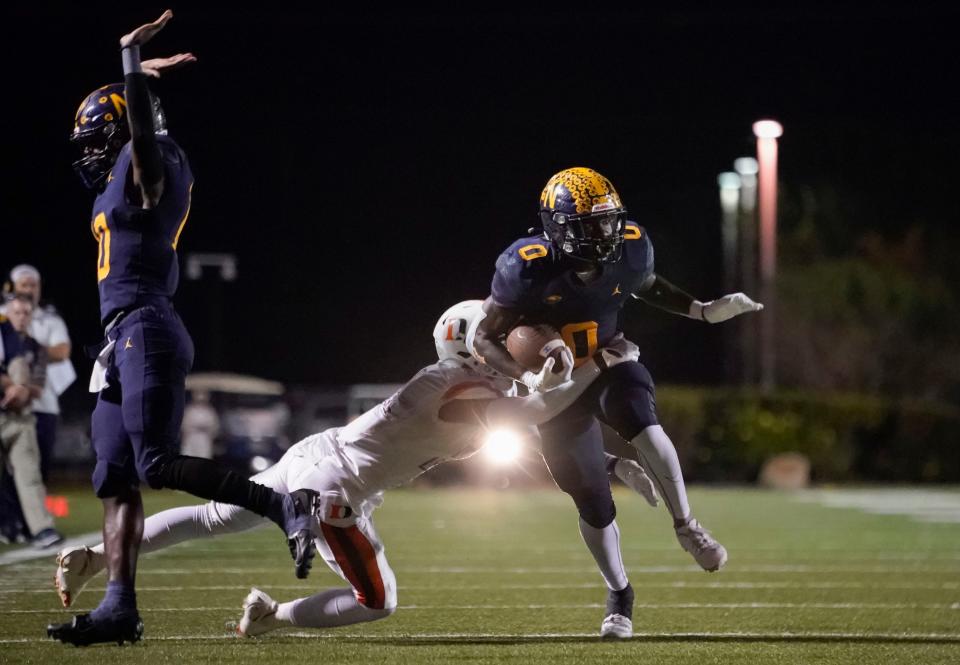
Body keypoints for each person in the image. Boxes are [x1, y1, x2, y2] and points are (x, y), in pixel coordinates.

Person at [53, 300, 657, 636]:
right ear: (472, 344)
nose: (510, 344)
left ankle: (96, 557)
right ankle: (271, 618)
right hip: (334, 488)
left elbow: (520, 437)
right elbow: (531, 415)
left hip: (318, 457)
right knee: (378, 600)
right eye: (498, 336)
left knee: (217, 518)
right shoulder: (453, 383)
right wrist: (595, 366)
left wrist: (605, 462)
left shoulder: (463, 386)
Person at [46, 10, 315, 647]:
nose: (90, 149)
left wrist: (131, 65)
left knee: (156, 462)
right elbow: (128, 125)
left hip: (148, 323)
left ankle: (283, 504)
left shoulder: (154, 160)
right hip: (119, 337)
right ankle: (120, 608)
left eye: (98, 134)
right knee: (113, 478)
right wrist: (128, 83)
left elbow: (140, 133)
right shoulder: (116, 180)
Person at [473, 166, 764, 638]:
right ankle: (620, 592)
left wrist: (703, 311)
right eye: (591, 224)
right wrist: (527, 373)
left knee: (645, 426)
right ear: (560, 227)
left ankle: (687, 525)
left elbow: (647, 284)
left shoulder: (630, 246)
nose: (605, 233)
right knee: (591, 502)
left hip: (612, 362)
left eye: (608, 221)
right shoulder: (523, 266)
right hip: (555, 391)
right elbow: (486, 337)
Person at [0, 265, 76, 544]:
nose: (20, 318)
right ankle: (10, 526)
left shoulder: (35, 345)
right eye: (16, 313)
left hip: (24, 414)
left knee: (31, 472)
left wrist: (22, 390)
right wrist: (12, 385)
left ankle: (39, 528)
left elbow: (40, 380)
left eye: (25, 314)